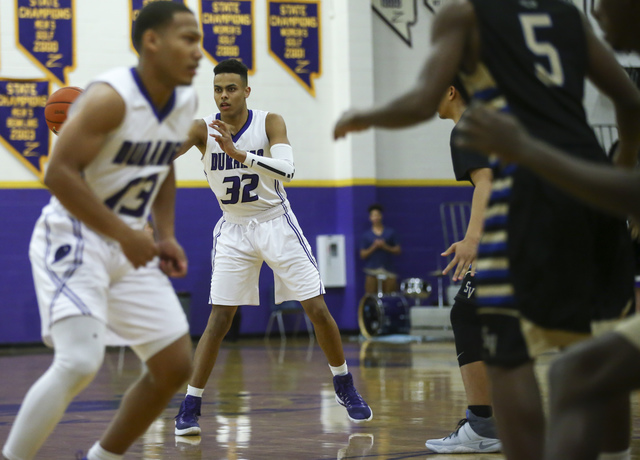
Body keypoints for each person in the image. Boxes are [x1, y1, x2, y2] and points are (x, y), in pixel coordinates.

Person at [333, 0, 640, 458]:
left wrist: (367, 117)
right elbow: (630, 101)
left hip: (539, 202)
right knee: (599, 344)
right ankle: (615, 452)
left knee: (500, 343)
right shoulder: (565, 16)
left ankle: (485, 427)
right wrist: (620, 176)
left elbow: (479, 172)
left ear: (454, 89)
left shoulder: (465, 33)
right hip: (595, 190)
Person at [1, 3, 202, 460]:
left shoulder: (183, 100)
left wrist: (164, 232)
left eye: (199, 41)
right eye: (187, 39)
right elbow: (58, 174)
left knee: (174, 366)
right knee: (79, 362)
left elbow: (163, 166)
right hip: (75, 234)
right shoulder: (111, 98)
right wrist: (126, 234)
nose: (197, 52)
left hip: (129, 238)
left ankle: (102, 457)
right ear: (152, 42)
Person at [173, 58, 372, 437]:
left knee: (316, 307)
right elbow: (159, 157)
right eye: (217, 89)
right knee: (218, 320)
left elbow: (288, 170)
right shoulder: (202, 130)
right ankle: (191, 404)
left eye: (231, 88)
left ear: (246, 90)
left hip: (275, 222)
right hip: (233, 230)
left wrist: (240, 155)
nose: (224, 96)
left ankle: (343, 383)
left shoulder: (269, 122)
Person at [424, 79, 500, 454]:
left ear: (451, 90)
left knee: (467, 314)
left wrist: (473, 240)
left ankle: (485, 425)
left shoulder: (467, 127)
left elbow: (485, 184)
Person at [360, 203, 401, 294]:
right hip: (372, 271)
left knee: (389, 296)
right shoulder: (366, 235)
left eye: (377, 215)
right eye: (373, 216)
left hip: (388, 270)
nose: (376, 218)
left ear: (381, 216)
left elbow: (398, 250)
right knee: (370, 297)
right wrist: (374, 247)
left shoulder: (390, 232)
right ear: (370, 218)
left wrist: (385, 246)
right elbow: (362, 254)